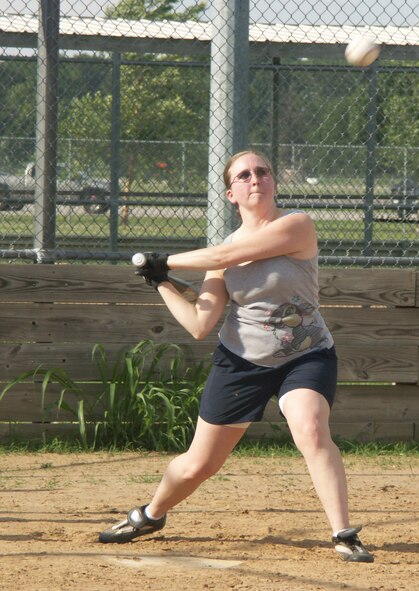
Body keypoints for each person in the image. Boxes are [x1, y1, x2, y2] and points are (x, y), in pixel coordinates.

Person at [98, 150, 374, 563]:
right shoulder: (220, 254)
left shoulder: (295, 225)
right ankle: (150, 514)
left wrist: (165, 259)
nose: (255, 179)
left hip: (305, 354)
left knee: (312, 429)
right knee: (199, 465)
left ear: (274, 182)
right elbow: (199, 323)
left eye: (262, 171)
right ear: (231, 194)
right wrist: (160, 281)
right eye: (244, 176)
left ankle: (343, 533)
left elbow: (224, 257)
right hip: (241, 362)